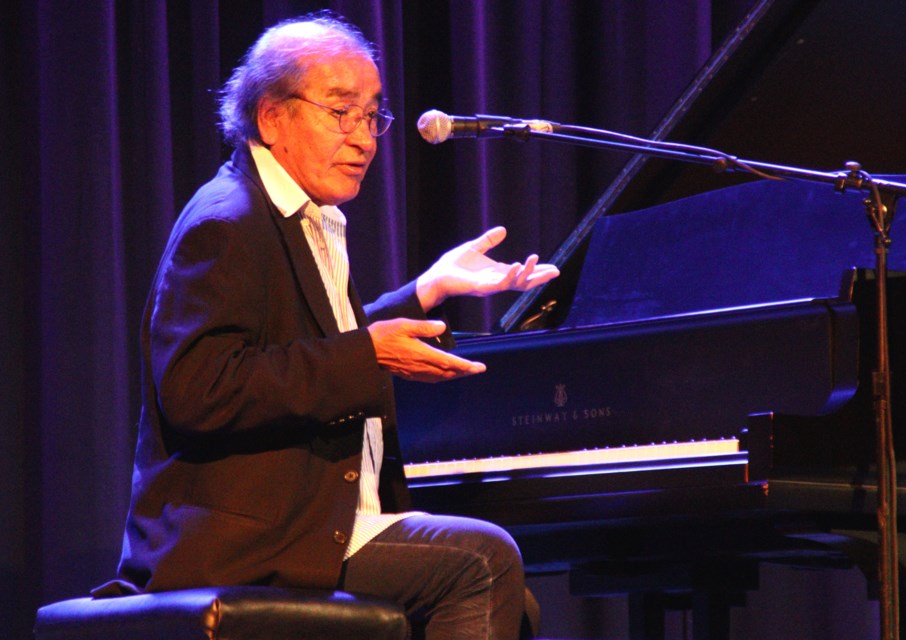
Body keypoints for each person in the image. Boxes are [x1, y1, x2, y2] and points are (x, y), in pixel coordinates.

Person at [93, 11, 559, 640]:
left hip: (311, 520)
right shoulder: (226, 224)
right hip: (247, 538)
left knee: (515, 604)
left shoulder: (302, 213)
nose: (365, 138)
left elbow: (315, 344)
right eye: (341, 113)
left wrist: (427, 290)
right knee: (482, 560)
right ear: (272, 118)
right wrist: (370, 356)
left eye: (372, 116)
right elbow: (197, 390)